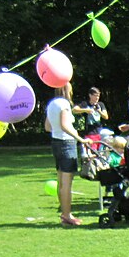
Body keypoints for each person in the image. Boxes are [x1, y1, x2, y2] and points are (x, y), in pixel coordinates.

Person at [44, 82, 90, 226]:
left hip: (56, 142)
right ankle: (67, 215)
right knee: (66, 183)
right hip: (66, 143)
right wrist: (81, 139)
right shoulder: (64, 104)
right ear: (66, 89)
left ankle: (65, 214)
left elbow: (47, 127)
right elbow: (65, 125)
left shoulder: (51, 104)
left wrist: (57, 130)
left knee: (60, 181)